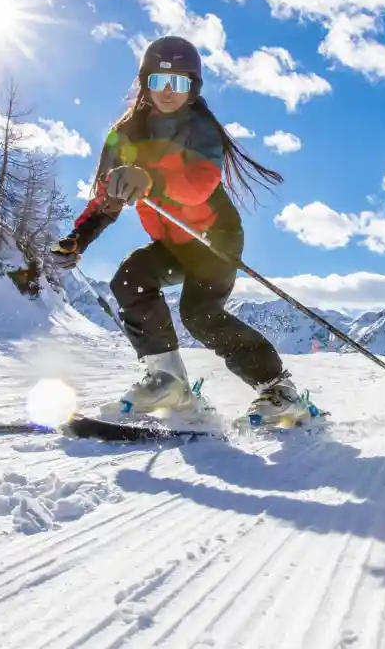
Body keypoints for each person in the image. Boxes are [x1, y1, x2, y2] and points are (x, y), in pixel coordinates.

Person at [51, 35, 313, 426]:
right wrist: (80, 238)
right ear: (145, 84)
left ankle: (279, 389)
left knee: (199, 313)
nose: (169, 91)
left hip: (214, 237)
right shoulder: (125, 136)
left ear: (193, 87)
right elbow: (108, 197)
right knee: (129, 278)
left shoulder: (200, 127)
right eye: (159, 81)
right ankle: (169, 381)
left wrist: (149, 179)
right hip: (172, 242)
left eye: (180, 82)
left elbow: (198, 186)